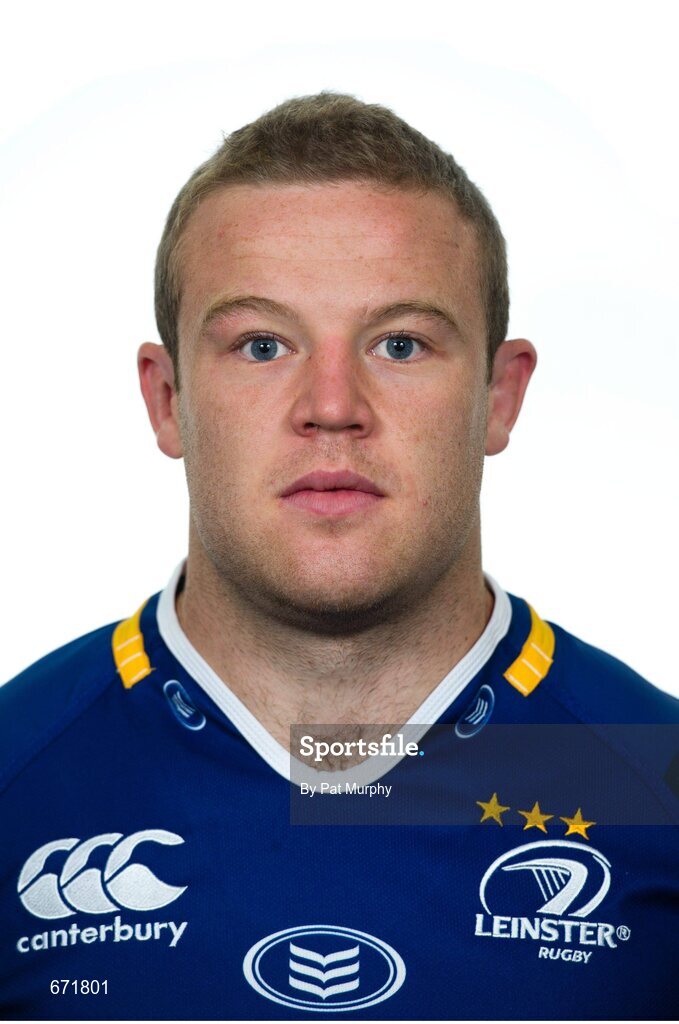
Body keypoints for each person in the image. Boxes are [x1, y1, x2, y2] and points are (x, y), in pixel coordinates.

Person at [0, 92, 677, 1022]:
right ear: (167, 400)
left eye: (399, 343)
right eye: (261, 344)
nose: (330, 404)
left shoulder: (659, 777)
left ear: (497, 398)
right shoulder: (14, 775)